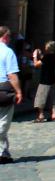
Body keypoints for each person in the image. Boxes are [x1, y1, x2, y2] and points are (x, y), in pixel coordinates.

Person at [0, 25, 23, 165]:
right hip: (3, 90)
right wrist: (19, 91)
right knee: (3, 122)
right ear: (6, 37)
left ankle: (4, 153)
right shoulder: (7, 52)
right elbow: (12, 75)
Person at [32, 41, 55, 122]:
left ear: (48, 48)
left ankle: (41, 115)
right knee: (51, 98)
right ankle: (53, 114)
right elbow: (45, 60)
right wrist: (41, 55)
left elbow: (36, 64)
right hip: (52, 79)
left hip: (45, 80)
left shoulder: (47, 57)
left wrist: (35, 56)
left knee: (41, 98)